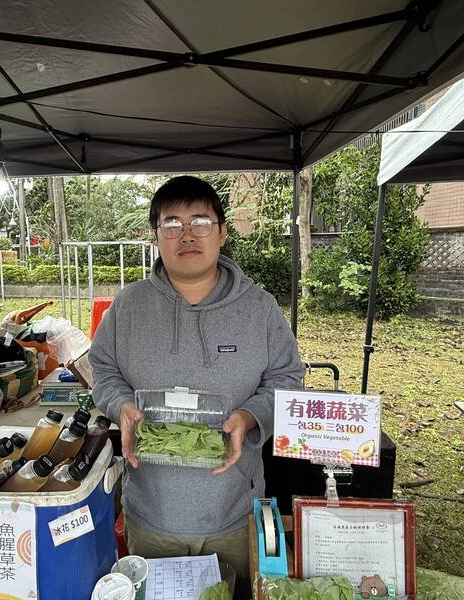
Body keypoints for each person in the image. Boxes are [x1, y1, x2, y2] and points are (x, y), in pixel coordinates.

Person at [90, 176, 304, 598]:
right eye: (171, 224)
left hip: (234, 512)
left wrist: (249, 416)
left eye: (200, 222)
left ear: (222, 233)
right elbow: (103, 370)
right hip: (151, 515)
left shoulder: (259, 308)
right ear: (155, 236)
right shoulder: (128, 307)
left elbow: (287, 378)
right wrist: (121, 407)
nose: (186, 235)